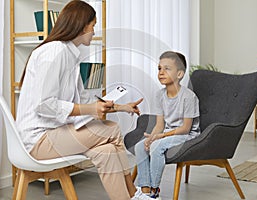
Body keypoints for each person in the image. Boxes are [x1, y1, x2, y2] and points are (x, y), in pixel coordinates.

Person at [16, 1, 153, 200]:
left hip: (54, 134)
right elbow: (44, 104)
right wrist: (89, 108)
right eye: (93, 25)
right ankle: (134, 194)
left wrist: (121, 107)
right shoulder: (55, 52)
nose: (94, 31)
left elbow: (87, 101)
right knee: (112, 129)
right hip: (38, 140)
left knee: (106, 151)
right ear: (81, 26)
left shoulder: (70, 56)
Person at [134, 51, 201, 199]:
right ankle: (144, 190)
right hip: (168, 132)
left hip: (187, 135)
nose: (161, 72)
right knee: (141, 146)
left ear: (179, 74)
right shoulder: (159, 95)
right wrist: (151, 137)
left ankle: (154, 191)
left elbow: (185, 128)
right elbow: (159, 125)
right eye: (159, 68)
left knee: (157, 146)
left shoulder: (189, 97)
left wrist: (160, 137)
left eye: (167, 69)